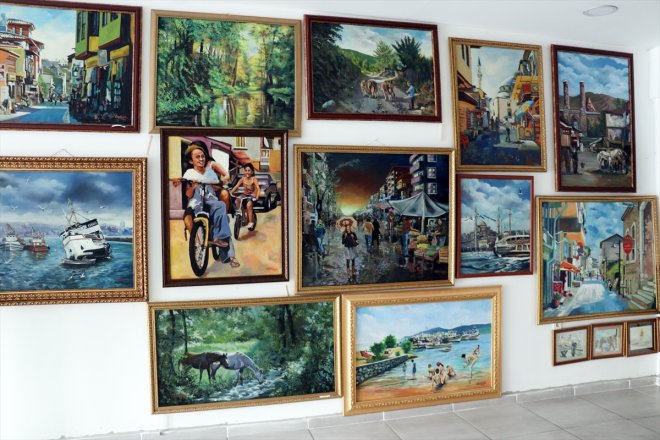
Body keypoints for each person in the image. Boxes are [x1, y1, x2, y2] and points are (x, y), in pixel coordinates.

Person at [180, 141, 239, 268]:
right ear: (191, 161)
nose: (201, 159)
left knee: (221, 207)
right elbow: (188, 194)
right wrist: (193, 185)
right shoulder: (189, 173)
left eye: (203, 156)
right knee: (190, 216)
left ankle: (224, 245)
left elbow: (218, 186)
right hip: (196, 203)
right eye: (197, 157)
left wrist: (213, 184)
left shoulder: (210, 171)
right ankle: (197, 243)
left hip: (211, 200)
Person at [230, 163, 260, 230]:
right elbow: (236, 186)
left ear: (252, 172)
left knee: (249, 205)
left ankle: (250, 222)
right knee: (237, 200)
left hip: (251, 196)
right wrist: (231, 192)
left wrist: (257, 197)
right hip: (245, 195)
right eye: (246, 170)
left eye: (249, 170)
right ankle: (243, 216)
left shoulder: (254, 179)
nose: (247, 172)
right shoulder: (242, 179)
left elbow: (258, 189)